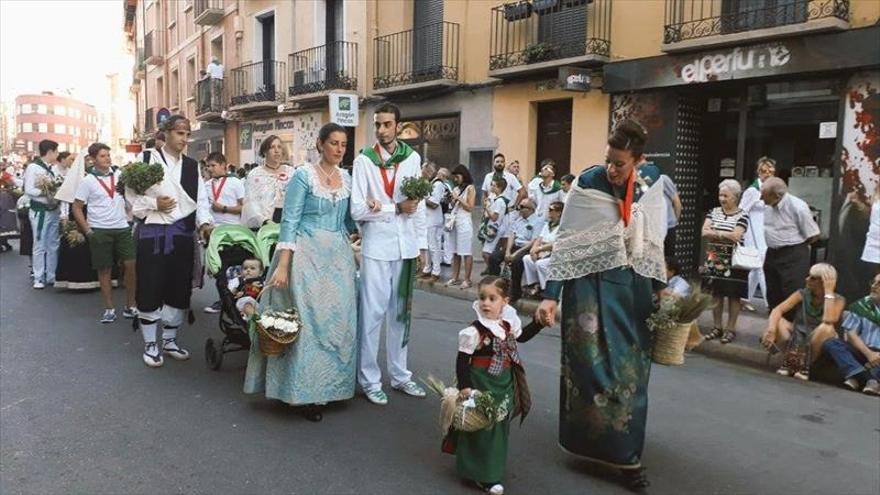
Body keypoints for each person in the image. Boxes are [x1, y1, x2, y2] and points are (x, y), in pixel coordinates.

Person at [536, 119, 666, 490]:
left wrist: (661, 288)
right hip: (590, 290)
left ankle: (624, 445)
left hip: (633, 291)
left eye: (620, 162)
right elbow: (568, 243)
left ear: (638, 160)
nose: (612, 168)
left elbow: (653, 241)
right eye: (608, 159)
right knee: (589, 370)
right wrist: (550, 295)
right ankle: (616, 457)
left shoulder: (647, 185)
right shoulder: (589, 183)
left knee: (631, 374)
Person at [246, 123, 358, 421]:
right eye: (333, 143)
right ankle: (306, 393)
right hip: (306, 255)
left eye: (343, 144)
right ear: (320, 144)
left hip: (339, 258)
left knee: (339, 321)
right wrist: (282, 265)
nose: (339, 149)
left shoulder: (346, 178)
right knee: (310, 322)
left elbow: (349, 221)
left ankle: (334, 386)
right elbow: (290, 222)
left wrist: (365, 229)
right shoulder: (303, 176)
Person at [351, 103, 426, 405]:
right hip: (377, 248)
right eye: (378, 125)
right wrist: (393, 208)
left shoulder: (413, 158)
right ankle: (369, 380)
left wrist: (421, 246)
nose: (381, 130)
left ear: (398, 126)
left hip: (405, 247)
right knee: (372, 314)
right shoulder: (363, 162)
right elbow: (357, 209)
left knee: (401, 314)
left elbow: (417, 207)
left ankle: (400, 375)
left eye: (387, 124)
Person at [128, 115, 214, 368]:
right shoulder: (145, 159)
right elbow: (129, 198)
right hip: (152, 235)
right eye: (179, 133)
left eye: (187, 134)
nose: (184, 139)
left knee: (178, 288)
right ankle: (150, 344)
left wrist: (205, 223)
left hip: (181, 236)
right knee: (151, 286)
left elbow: (200, 200)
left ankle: (169, 339)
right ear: (165, 133)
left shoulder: (191, 165)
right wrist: (154, 204)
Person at [445, 276, 537, 495]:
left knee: (498, 426)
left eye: (492, 298)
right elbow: (462, 360)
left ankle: (488, 469)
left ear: (504, 301)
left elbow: (521, 338)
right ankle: (482, 475)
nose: (486, 303)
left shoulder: (506, 325)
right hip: (481, 381)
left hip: (502, 382)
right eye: (482, 298)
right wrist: (465, 386)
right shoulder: (475, 331)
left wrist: (539, 323)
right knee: (481, 425)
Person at [72, 143, 137, 323]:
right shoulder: (87, 181)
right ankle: (109, 308)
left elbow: (131, 197)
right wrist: (88, 230)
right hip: (100, 230)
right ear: (93, 159)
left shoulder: (120, 175)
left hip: (122, 227)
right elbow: (77, 207)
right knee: (105, 269)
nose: (107, 158)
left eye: (108, 155)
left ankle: (131, 305)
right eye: (102, 156)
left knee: (131, 264)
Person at [760, 263, 845, 380]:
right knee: (779, 321)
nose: (807, 279)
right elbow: (778, 310)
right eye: (808, 276)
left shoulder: (839, 300)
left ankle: (803, 365)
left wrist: (829, 292)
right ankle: (792, 362)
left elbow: (829, 319)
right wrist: (771, 330)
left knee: (826, 327)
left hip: (819, 341)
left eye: (813, 278)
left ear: (824, 282)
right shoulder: (802, 293)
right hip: (799, 334)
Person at [700, 179, 750, 344]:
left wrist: (716, 233)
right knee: (716, 293)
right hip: (716, 257)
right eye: (720, 195)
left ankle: (731, 329)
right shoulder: (713, 212)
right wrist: (725, 234)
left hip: (735, 259)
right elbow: (704, 232)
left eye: (726, 196)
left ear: (735, 197)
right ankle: (716, 327)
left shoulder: (743, 215)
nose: (722, 199)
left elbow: (737, 236)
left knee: (734, 295)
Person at [761, 177, 821, 315]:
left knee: (791, 294)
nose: (760, 198)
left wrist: (796, 248)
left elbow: (813, 234)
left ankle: (792, 331)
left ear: (776, 196)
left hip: (793, 253)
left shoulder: (797, 206)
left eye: (763, 195)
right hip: (772, 253)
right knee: (772, 293)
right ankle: (775, 329)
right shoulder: (767, 206)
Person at [823, 273, 880, 395]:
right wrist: (869, 354)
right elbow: (851, 334)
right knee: (831, 343)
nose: (874, 286)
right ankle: (870, 380)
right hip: (862, 351)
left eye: (879, 284)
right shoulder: (862, 305)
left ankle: (857, 377)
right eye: (873, 282)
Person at [202, 151, 245, 314]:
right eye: (208, 166)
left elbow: (244, 207)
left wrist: (224, 208)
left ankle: (235, 299)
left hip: (233, 232)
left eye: (213, 165)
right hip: (214, 233)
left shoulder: (235, 183)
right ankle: (222, 300)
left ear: (223, 165)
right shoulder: (206, 185)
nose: (210, 169)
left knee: (233, 269)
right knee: (217, 269)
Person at [739, 157, 776, 309]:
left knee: (755, 268)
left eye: (770, 171)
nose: (767, 174)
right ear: (758, 172)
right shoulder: (752, 191)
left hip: (765, 231)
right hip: (753, 232)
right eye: (763, 171)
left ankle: (744, 298)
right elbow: (741, 211)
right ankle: (770, 304)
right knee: (761, 267)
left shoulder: (772, 189)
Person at [23, 139, 61, 289]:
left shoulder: (51, 169)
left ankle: (51, 274)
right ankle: (38, 277)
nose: (57, 155)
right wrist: (47, 192)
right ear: (50, 152)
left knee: (53, 243)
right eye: (56, 151)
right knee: (39, 244)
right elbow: (29, 190)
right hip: (40, 211)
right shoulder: (34, 167)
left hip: (53, 210)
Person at [241, 135, 293, 228]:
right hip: (264, 223)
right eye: (272, 147)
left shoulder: (291, 172)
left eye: (279, 147)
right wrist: (264, 221)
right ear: (265, 151)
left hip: (288, 222)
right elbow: (250, 202)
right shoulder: (255, 174)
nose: (277, 150)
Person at [499, 198, 544, 304]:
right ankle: (498, 286)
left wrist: (515, 254)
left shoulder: (537, 221)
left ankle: (515, 292)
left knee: (516, 262)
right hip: (515, 245)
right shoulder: (518, 219)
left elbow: (533, 241)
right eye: (519, 206)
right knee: (494, 257)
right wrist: (508, 251)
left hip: (526, 248)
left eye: (522, 207)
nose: (519, 209)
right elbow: (512, 235)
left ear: (531, 209)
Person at [521, 201, 563, 298]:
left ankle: (545, 289)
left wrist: (539, 249)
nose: (549, 212)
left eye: (551, 210)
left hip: (554, 254)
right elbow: (539, 238)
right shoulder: (548, 225)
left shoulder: (562, 227)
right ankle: (534, 285)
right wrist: (534, 249)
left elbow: (555, 244)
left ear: (558, 213)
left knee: (541, 264)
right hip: (542, 252)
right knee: (527, 259)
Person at [446, 164, 476, 288]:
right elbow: (452, 206)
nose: (455, 179)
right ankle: (455, 277)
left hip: (464, 222)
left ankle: (467, 279)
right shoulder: (456, 189)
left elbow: (470, 207)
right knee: (455, 252)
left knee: (466, 251)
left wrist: (458, 198)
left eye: (457, 176)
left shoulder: (470, 188)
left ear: (463, 175)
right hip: (455, 222)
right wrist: (451, 201)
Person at [423, 166, 451, 282]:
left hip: (433, 219)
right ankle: (427, 269)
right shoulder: (433, 183)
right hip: (429, 218)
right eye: (439, 172)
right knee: (429, 245)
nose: (439, 175)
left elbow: (434, 203)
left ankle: (436, 271)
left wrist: (422, 198)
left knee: (433, 245)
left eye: (442, 174)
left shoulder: (439, 184)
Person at [479, 176, 509, 276]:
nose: (491, 187)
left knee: (486, 253)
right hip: (494, 228)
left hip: (495, 229)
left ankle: (494, 271)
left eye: (493, 185)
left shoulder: (500, 201)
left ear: (499, 187)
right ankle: (492, 270)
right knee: (488, 252)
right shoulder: (495, 199)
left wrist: (487, 207)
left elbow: (494, 217)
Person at [415, 162, 435, 281]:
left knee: (422, 240)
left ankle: (423, 266)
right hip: (417, 212)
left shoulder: (425, 183)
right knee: (418, 240)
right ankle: (420, 266)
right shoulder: (417, 179)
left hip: (421, 213)